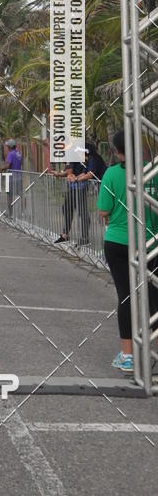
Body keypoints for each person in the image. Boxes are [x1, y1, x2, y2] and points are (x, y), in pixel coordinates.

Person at [97, 130, 158, 374]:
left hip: (118, 243)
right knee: (155, 299)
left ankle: (127, 355)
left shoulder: (111, 174)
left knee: (126, 297)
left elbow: (103, 211)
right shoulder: (153, 172)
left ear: (117, 150)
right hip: (151, 243)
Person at [0, 139, 23, 219]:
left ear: (10, 146)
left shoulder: (11, 154)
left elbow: (8, 165)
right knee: (21, 195)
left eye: (7, 146)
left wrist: (1, 168)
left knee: (9, 196)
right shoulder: (19, 153)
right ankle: (23, 212)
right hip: (19, 177)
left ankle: (11, 215)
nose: (6, 147)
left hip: (11, 178)